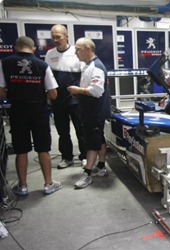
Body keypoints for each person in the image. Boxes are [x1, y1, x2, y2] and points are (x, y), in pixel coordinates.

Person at [0, 36, 62, 196]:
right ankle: (48, 184)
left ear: (15, 47)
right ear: (33, 49)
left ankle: (22, 186)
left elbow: (1, 91)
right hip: (39, 110)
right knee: (43, 148)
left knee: (21, 150)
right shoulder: (42, 65)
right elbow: (53, 94)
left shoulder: (4, 63)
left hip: (18, 110)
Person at [68, 37, 111, 189]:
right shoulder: (88, 65)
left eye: (78, 49)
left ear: (87, 49)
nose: (75, 52)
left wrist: (77, 90)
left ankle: (87, 174)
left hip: (94, 111)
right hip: (92, 110)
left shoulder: (96, 66)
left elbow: (96, 91)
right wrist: (79, 92)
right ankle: (101, 166)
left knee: (92, 144)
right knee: (99, 139)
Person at [45, 24, 87, 169]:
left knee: (80, 129)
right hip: (57, 99)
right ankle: (67, 157)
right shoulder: (50, 54)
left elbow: (84, 75)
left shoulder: (76, 53)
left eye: (58, 36)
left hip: (75, 99)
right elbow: (47, 77)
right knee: (62, 131)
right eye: (53, 37)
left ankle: (85, 156)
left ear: (66, 36)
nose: (55, 40)